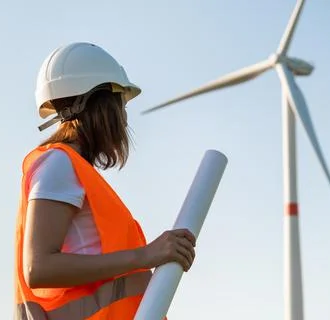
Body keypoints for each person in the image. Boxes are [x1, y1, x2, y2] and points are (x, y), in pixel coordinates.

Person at [14, 42, 196, 320]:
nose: (124, 120)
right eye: (120, 104)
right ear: (98, 102)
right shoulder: (59, 165)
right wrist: (146, 255)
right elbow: (38, 268)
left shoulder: (72, 169)